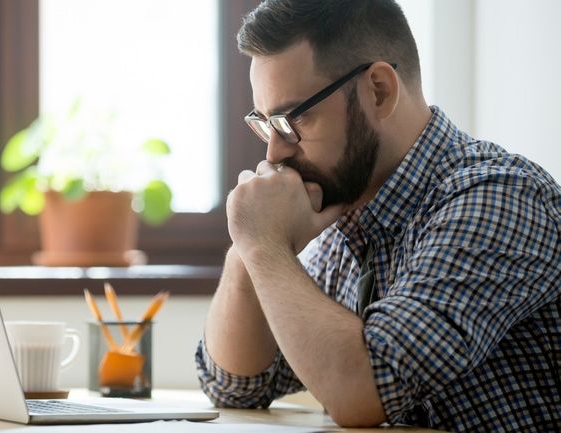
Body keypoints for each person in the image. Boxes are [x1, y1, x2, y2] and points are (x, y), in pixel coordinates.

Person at [194, 1, 561, 432]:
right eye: (266, 124)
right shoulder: (345, 225)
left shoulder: (499, 197)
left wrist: (265, 246)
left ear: (379, 90)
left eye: (294, 119)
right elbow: (236, 386)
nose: (274, 152)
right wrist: (248, 247)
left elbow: (366, 391)